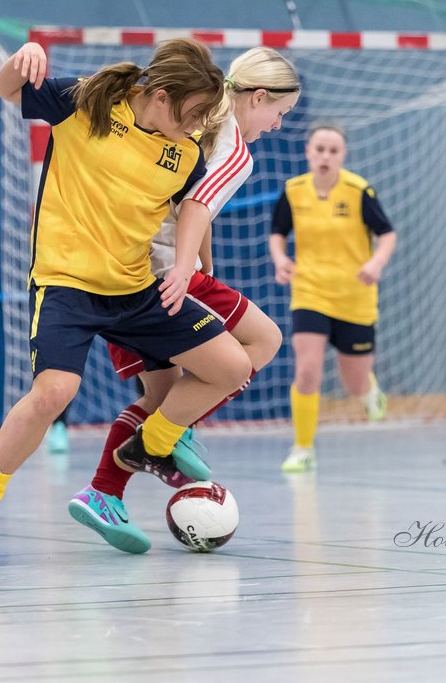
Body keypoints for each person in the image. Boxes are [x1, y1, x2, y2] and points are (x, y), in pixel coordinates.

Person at [0, 37, 254, 555]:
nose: (201, 125)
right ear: (160, 94)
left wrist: (185, 266)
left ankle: (149, 446)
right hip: (67, 284)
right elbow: (6, 91)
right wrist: (21, 57)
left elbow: (195, 208)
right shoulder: (85, 102)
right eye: (196, 112)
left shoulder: (183, 153)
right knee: (53, 394)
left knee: (232, 367)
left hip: (135, 289)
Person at [69, 47, 300, 553]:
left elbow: (191, 200)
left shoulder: (190, 115)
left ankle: (105, 490)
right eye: (279, 113)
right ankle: (159, 442)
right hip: (162, 271)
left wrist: (205, 259)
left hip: (112, 267)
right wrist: (186, 268)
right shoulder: (235, 146)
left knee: (161, 397)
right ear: (257, 97)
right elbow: (196, 204)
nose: (278, 126)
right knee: (262, 341)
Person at [270, 122, 397, 473]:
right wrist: (281, 260)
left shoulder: (359, 191)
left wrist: (376, 262)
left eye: (333, 150)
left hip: (355, 296)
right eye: (320, 149)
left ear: (342, 156)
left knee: (353, 382)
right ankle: (302, 447)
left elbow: (387, 235)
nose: (326, 156)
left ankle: (370, 392)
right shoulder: (294, 192)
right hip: (310, 292)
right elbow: (278, 233)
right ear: (308, 152)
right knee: (307, 370)